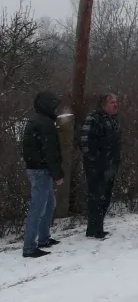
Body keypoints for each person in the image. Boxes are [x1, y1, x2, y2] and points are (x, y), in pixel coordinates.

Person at [21, 91, 65, 258]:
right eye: (54, 104)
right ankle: (29, 247)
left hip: (36, 168)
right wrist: (57, 174)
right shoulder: (45, 123)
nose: (56, 108)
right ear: (47, 105)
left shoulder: (37, 120)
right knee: (38, 207)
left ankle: (44, 238)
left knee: (48, 204)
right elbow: (50, 151)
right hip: (40, 170)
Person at [80, 93, 121, 240]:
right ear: (103, 105)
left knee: (105, 197)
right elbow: (85, 143)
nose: (115, 104)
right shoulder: (93, 119)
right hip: (96, 167)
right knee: (96, 197)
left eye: (116, 102)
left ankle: (98, 227)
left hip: (110, 166)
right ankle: (94, 229)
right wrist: (96, 161)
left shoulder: (112, 120)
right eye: (112, 102)